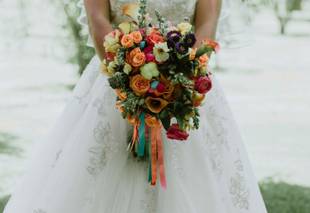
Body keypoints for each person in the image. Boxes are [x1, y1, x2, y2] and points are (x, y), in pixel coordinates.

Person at [4, 0, 268, 212]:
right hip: (115, 83)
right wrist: (129, 76)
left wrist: (183, 76)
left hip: (185, 84)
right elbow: (99, 19)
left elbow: (207, 22)